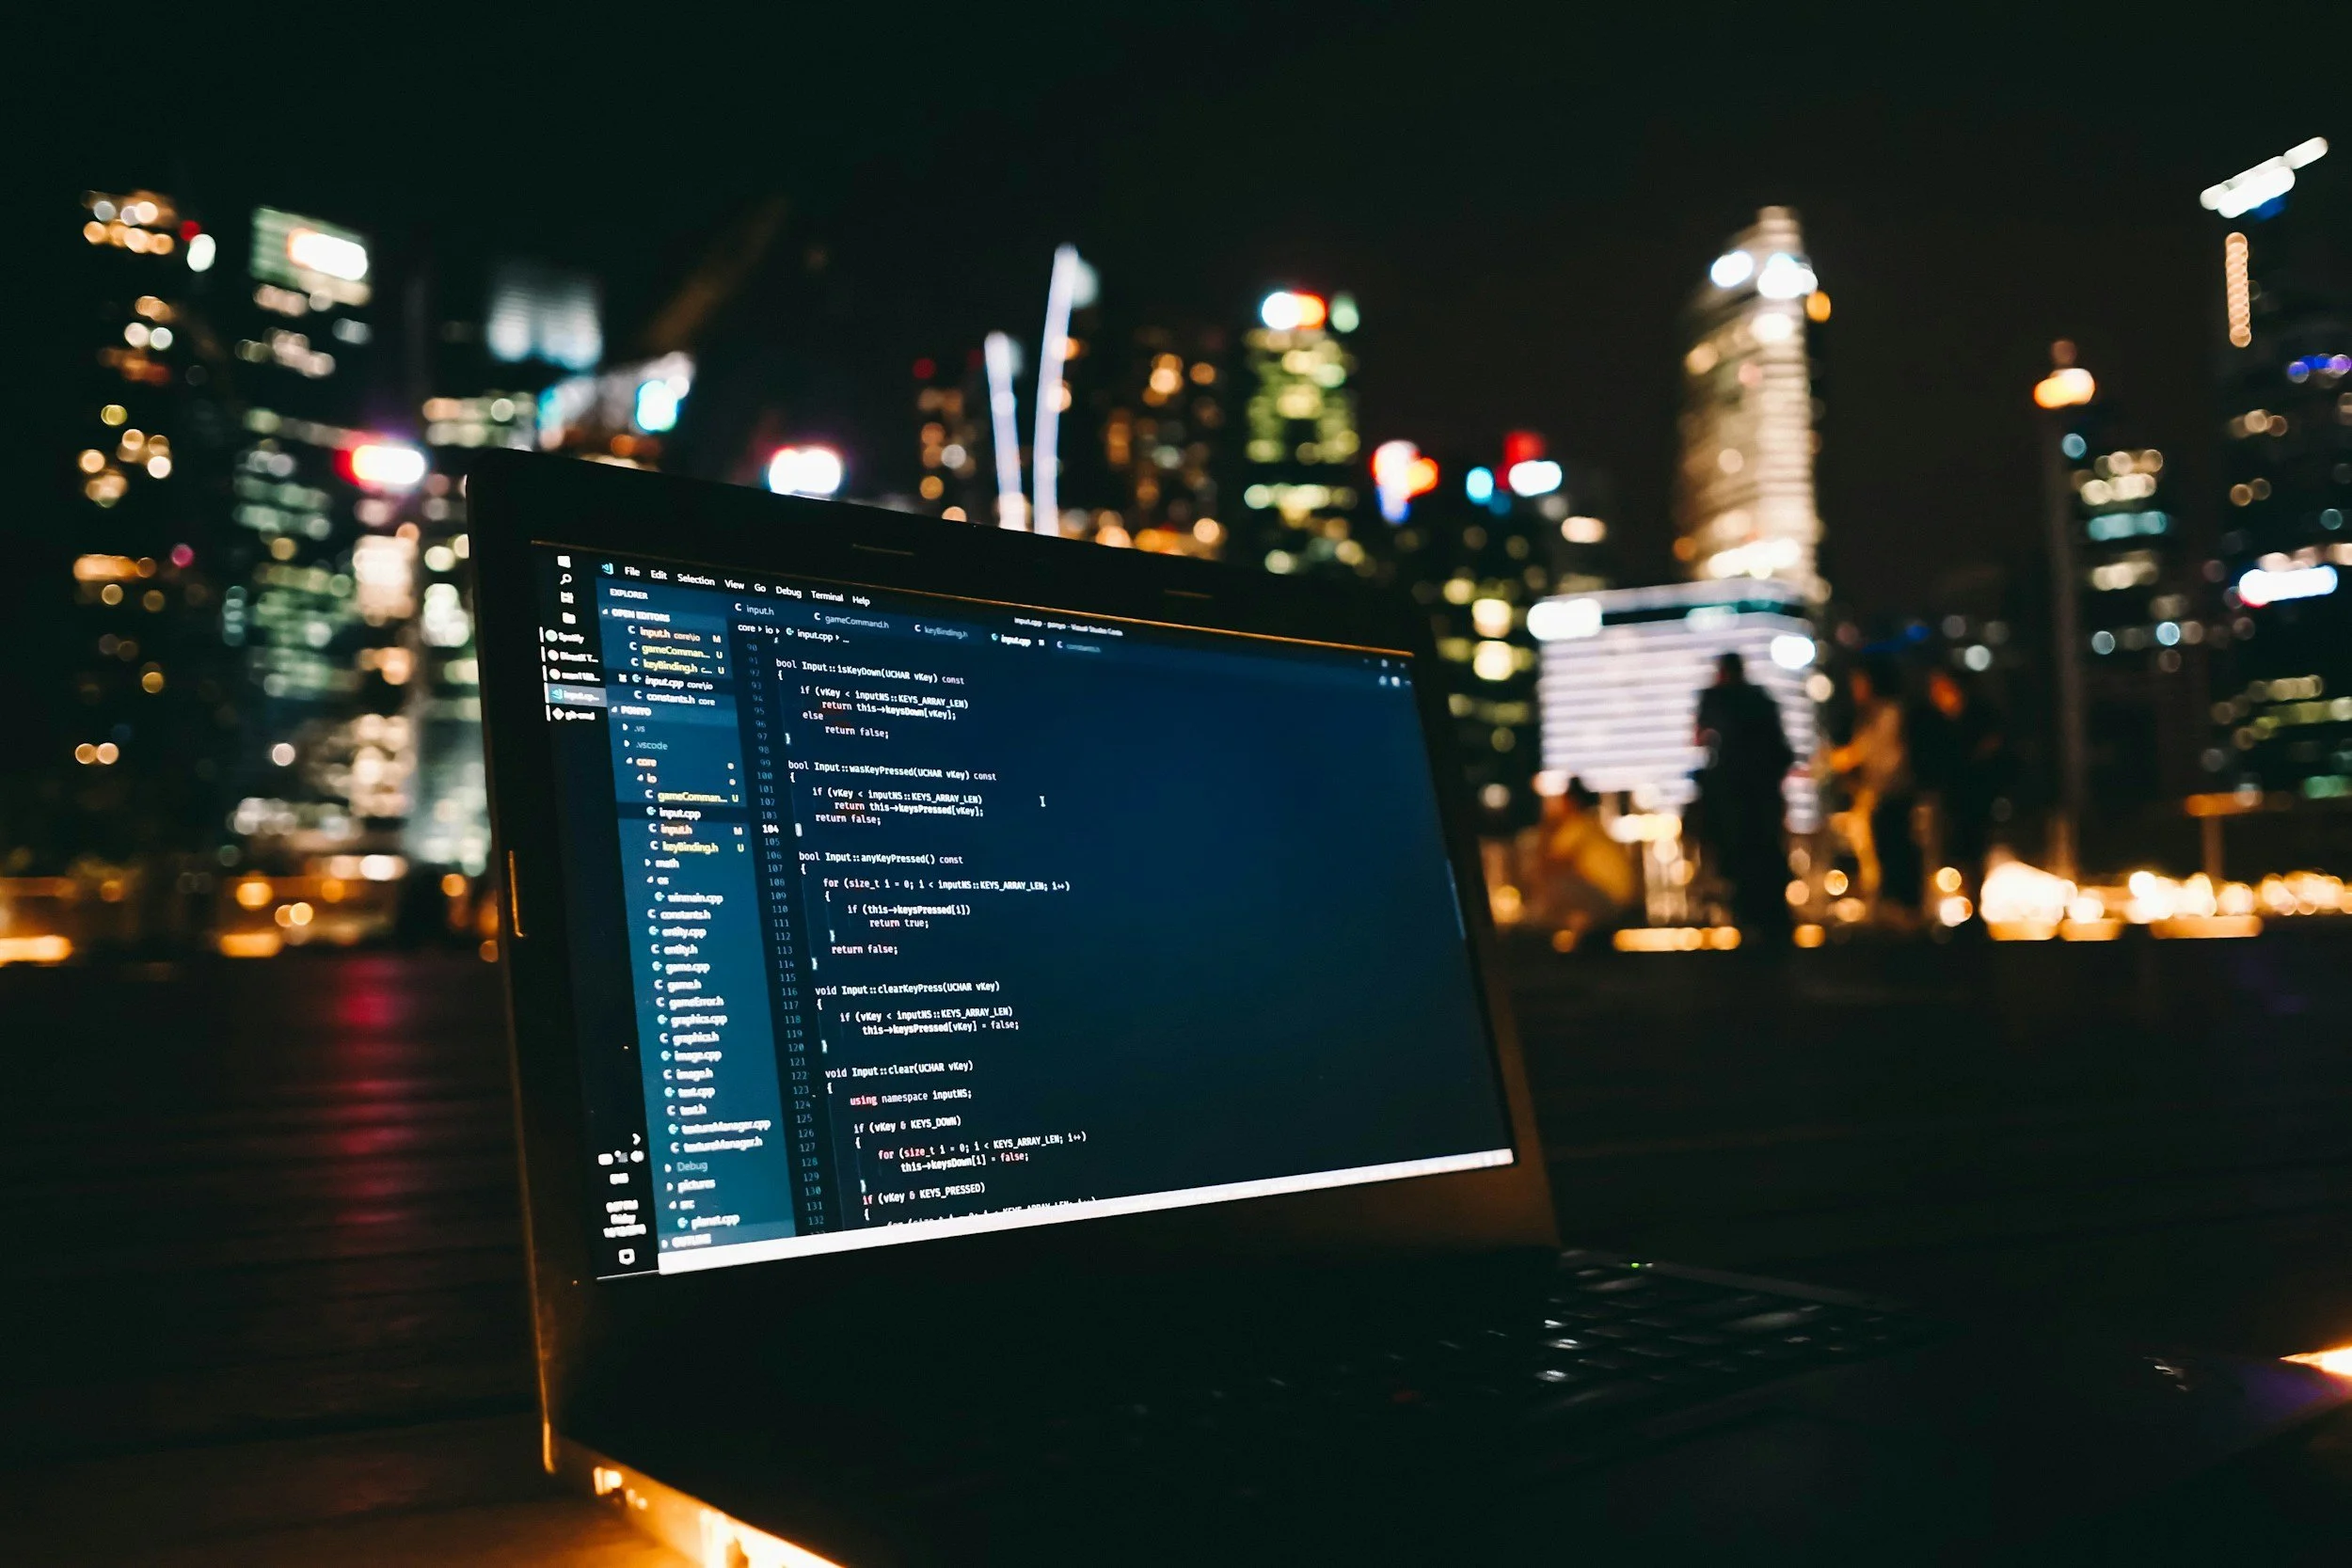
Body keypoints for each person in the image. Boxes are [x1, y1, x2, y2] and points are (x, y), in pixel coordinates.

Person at [1693, 651, 1795, 945]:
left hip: (1733, 796)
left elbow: (1699, 737)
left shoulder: (1716, 699)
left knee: (1739, 859)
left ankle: (1750, 922)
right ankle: (1772, 922)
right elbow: (1781, 748)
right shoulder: (1762, 701)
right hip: (1762, 795)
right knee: (1766, 856)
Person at [1828, 657, 1920, 926]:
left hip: (1890, 797)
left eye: (1860, 682)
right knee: (1875, 856)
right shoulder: (1869, 718)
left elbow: (1886, 759)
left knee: (1891, 854)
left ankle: (1899, 913)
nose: (1856, 689)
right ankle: (1886, 911)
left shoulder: (1890, 715)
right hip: (1876, 798)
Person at [1918, 668, 2007, 898]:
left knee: (1972, 854)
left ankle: (1974, 908)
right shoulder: (1939, 723)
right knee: (1957, 854)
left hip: (1972, 798)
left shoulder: (1976, 718)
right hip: (1952, 799)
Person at [1524, 775, 1638, 938]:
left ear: (1571, 802)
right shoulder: (1591, 823)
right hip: (1617, 898)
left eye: (1560, 800)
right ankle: (1579, 921)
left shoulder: (1577, 825)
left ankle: (1553, 926)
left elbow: (1550, 863)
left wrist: (1547, 826)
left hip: (1609, 899)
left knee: (1554, 882)